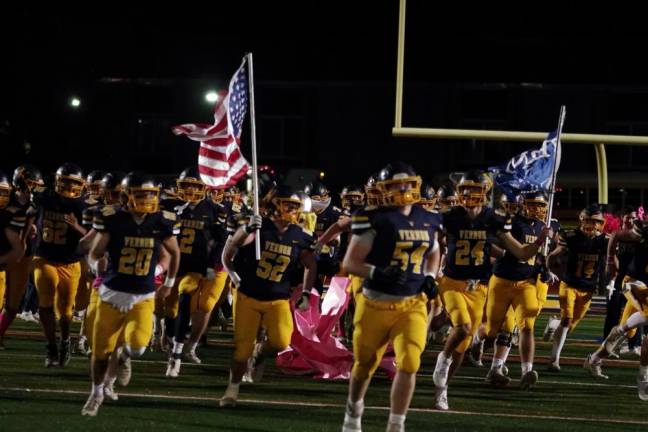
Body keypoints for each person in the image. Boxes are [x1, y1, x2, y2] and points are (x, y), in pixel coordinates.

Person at [341, 162, 441, 432]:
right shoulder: (372, 217)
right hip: (375, 303)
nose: (404, 189)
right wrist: (378, 272)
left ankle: (396, 424)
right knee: (364, 365)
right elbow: (350, 263)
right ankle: (354, 409)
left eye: (408, 183)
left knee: (410, 361)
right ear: (384, 189)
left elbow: (434, 251)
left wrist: (431, 276)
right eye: (396, 185)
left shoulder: (428, 217)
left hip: (412, 304)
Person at [81, 172, 180, 416]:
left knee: (137, 348)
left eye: (151, 194)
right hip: (111, 294)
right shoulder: (113, 219)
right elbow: (94, 252)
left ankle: (124, 356)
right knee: (100, 353)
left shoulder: (161, 221)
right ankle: (96, 393)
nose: (147, 199)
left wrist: (167, 280)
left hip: (142, 297)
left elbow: (174, 254)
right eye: (141, 194)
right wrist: (95, 265)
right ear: (127, 197)